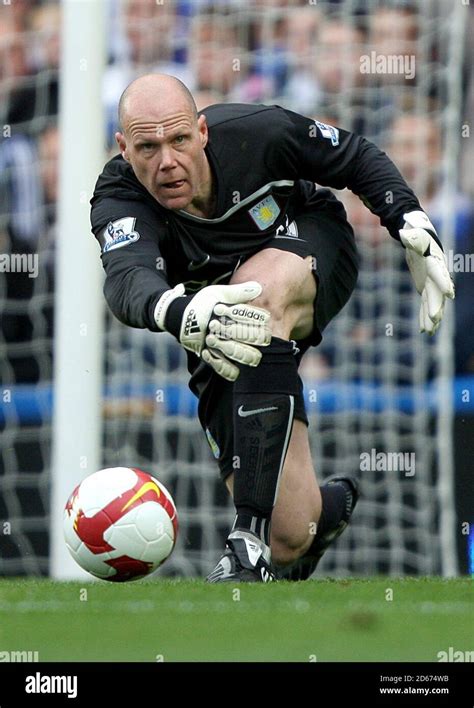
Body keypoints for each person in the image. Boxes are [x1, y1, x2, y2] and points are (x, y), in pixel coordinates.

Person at [90, 74, 454, 583]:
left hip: (310, 246)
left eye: (179, 141)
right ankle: (322, 513)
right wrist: (179, 312)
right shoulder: (118, 195)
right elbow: (127, 280)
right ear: (124, 148)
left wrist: (409, 219)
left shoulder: (256, 131)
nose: (168, 161)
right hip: (213, 328)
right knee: (292, 535)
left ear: (202, 132)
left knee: (256, 299)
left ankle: (246, 543)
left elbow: (354, 155)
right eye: (148, 147)